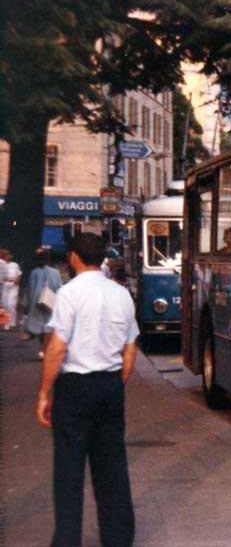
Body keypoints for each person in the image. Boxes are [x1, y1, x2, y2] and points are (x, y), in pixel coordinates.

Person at [35, 232, 139, 547]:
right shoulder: (122, 294)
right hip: (110, 385)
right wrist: (113, 385)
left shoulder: (69, 293)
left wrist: (44, 394)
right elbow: (130, 350)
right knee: (112, 467)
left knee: (69, 469)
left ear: (74, 257)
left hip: (75, 387)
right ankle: (118, 538)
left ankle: (67, 540)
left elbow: (57, 348)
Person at [24, 248, 63, 358]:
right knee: (48, 327)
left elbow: (30, 289)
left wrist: (28, 305)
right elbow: (58, 287)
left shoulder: (34, 272)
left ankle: (43, 348)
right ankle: (45, 350)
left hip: (36, 302)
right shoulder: (55, 272)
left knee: (40, 326)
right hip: (50, 301)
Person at [3, 249, 22, 330]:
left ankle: (13, 324)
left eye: (8, 254)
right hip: (4, 285)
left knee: (11, 304)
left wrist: (17, 281)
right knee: (5, 304)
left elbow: (19, 274)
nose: (7, 256)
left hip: (13, 285)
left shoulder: (15, 264)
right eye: (5, 255)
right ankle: (6, 324)